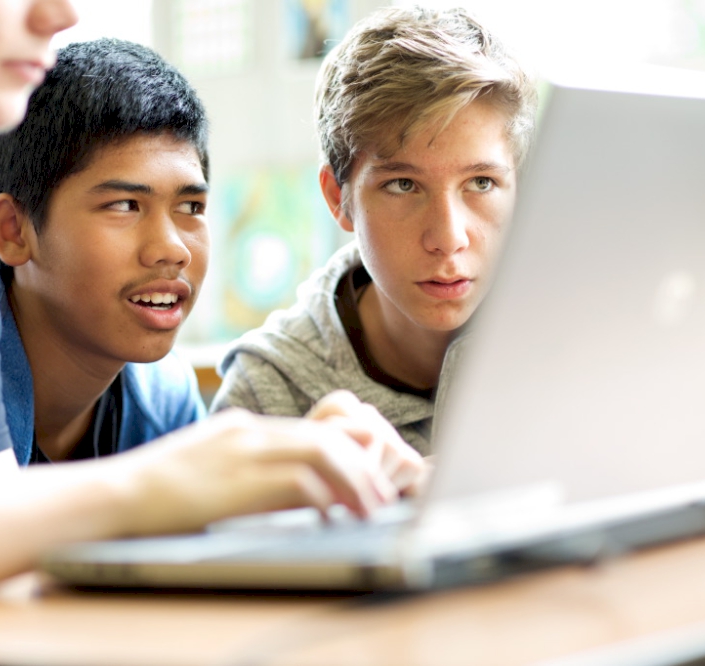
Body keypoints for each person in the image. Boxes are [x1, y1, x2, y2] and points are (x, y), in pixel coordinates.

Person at [0, 0, 423, 615]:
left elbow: (2, 575)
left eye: (191, 207)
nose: (60, 13)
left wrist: (278, 496)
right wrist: (158, 482)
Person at [211, 6, 538, 455]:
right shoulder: (267, 399)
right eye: (403, 185)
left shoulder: (571, 335)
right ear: (337, 199)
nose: (447, 238)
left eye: (481, 183)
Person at [0, 38, 207, 466]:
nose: (173, 250)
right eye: (124, 205)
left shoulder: (167, 402)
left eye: (191, 207)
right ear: (14, 230)